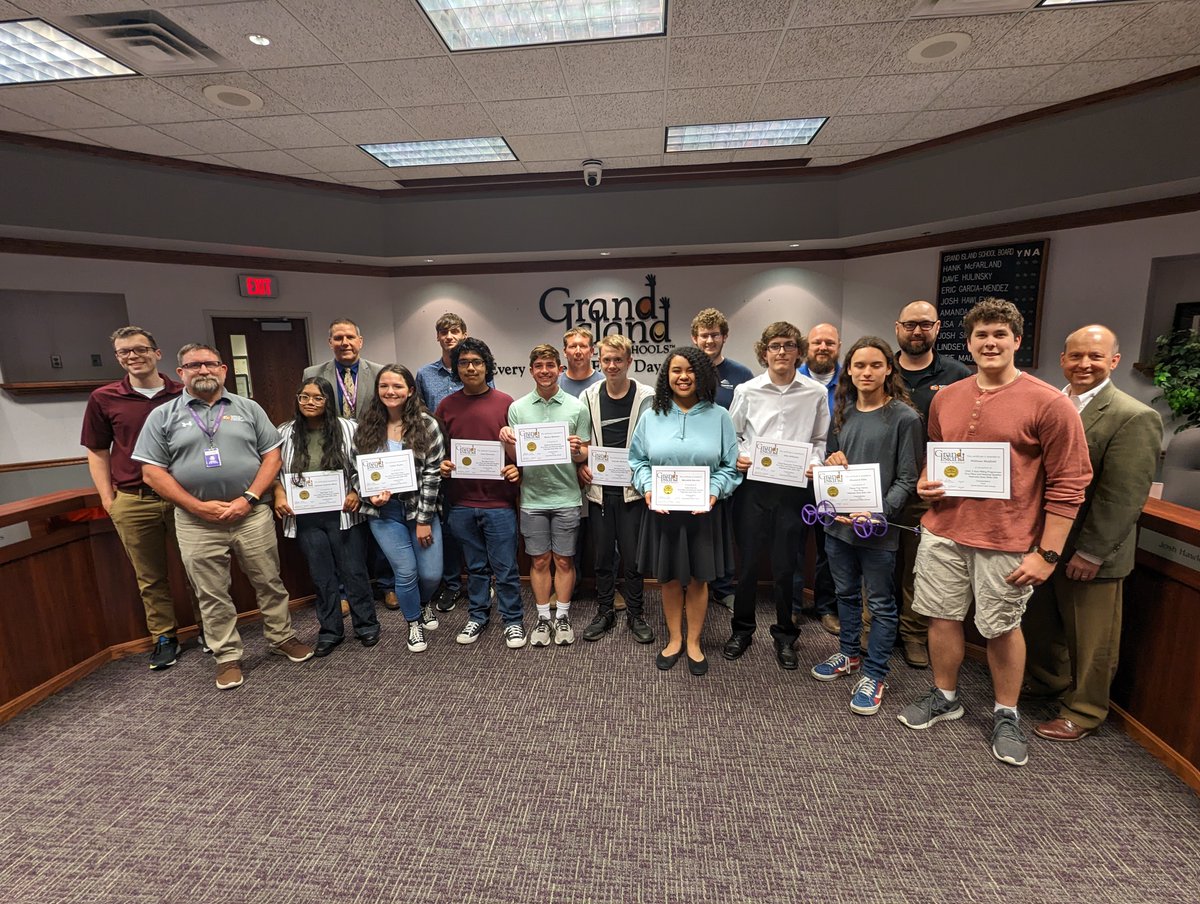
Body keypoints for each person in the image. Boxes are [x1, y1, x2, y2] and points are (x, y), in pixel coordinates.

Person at [896, 298, 1091, 767]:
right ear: (968, 342)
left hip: (1006, 538)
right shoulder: (947, 396)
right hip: (944, 530)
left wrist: (1048, 553)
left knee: (1002, 627)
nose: (990, 342)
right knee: (941, 617)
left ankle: (1007, 713)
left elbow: (1071, 482)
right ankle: (945, 696)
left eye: (1000, 334)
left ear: (1017, 341)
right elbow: (939, 459)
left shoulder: (1050, 402)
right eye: (981, 335)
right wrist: (926, 481)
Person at [133, 343, 314, 690]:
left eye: (210, 364)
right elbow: (152, 473)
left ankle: (281, 638)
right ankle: (227, 656)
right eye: (193, 365)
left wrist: (248, 498)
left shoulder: (248, 409)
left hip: (251, 513)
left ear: (223, 369)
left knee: (269, 581)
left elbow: (272, 457)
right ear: (181, 372)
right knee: (211, 592)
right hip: (195, 519)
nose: (203, 370)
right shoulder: (163, 416)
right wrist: (196, 506)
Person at [1023, 325, 1162, 742]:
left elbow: (1123, 495)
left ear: (1114, 361)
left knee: (1092, 638)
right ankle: (1047, 683)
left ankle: (1084, 710)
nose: (1084, 364)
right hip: (1045, 542)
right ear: (1063, 358)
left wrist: (1092, 552)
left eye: (1096, 357)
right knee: (1043, 623)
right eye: (1076, 356)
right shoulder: (1050, 403)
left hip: (1090, 549)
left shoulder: (1133, 416)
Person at [808, 338, 921, 716]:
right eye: (859, 366)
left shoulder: (904, 417)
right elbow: (830, 463)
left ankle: (875, 673)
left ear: (889, 368)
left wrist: (880, 513)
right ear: (849, 371)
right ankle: (848, 655)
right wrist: (831, 460)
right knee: (845, 596)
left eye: (875, 365)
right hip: (838, 527)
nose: (866, 373)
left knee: (882, 603)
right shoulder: (842, 412)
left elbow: (907, 479)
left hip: (878, 531)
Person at [81, 326, 205, 670]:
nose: (133, 357)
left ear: (157, 353)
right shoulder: (104, 398)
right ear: (118, 358)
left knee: (199, 567)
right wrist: (108, 499)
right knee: (150, 576)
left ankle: (210, 629)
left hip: (184, 497)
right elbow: (96, 450)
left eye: (140, 349)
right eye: (124, 352)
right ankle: (164, 637)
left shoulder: (183, 393)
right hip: (134, 499)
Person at [628, 346, 742, 676]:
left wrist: (713, 492)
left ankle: (694, 642)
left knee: (698, 579)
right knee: (668, 578)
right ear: (667, 376)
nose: (683, 376)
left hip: (704, 511)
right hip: (662, 510)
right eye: (676, 370)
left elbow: (730, 466)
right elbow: (637, 460)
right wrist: (648, 488)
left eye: (690, 370)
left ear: (702, 375)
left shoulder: (719, 415)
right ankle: (674, 639)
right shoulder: (651, 415)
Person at [723, 322, 829, 670]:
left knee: (787, 567)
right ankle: (742, 631)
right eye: (774, 346)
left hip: (794, 489)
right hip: (753, 487)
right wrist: (739, 454)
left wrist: (815, 462)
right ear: (764, 351)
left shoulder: (814, 393)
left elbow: (820, 440)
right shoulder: (748, 390)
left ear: (799, 351)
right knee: (749, 565)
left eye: (788, 345)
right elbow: (733, 433)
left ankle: (785, 635)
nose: (781, 351)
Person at [893, 301, 973, 669]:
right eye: (910, 325)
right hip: (880, 484)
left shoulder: (957, 375)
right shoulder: (880, 368)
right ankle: (873, 627)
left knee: (917, 567)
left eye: (925, 324)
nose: (917, 331)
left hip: (929, 490)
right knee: (876, 561)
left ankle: (912, 634)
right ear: (897, 328)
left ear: (938, 328)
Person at [273, 377, 379, 656]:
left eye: (318, 398)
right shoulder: (283, 432)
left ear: (329, 401)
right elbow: (271, 469)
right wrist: (279, 493)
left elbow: (365, 463)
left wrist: (357, 490)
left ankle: (366, 624)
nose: (310, 403)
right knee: (322, 576)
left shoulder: (349, 428)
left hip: (344, 513)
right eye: (304, 396)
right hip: (306, 517)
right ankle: (330, 630)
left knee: (354, 571)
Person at [435, 338, 526, 648]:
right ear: (456, 368)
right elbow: (439, 452)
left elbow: (521, 451)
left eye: (476, 362)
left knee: (505, 567)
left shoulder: (506, 403)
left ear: (487, 366)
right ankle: (477, 616)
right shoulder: (446, 406)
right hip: (460, 502)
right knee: (474, 568)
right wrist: (443, 465)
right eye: (463, 362)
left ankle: (513, 621)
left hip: (499, 502)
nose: (470, 367)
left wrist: (518, 470)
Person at [503, 344, 590, 646]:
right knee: (539, 561)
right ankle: (543, 617)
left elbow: (583, 457)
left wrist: (579, 450)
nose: (544, 371)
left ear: (560, 369)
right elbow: (516, 457)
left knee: (564, 561)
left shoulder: (577, 407)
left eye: (550, 365)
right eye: (538, 365)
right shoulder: (518, 408)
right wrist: (506, 439)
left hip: (566, 496)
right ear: (531, 370)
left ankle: (562, 616)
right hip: (532, 499)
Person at [356, 365, 445, 654]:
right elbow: (356, 473)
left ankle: (423, 602)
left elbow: (433, 474)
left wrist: (424, 519)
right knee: (405, 572)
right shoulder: (367, 425)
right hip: (384, 515)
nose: (390, 392)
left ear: (410, 390)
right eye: (384, 386)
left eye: (397, 386)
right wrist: (370, 497)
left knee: (431, 574)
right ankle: (413, 622)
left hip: (420, 510)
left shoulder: (426, 424)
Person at [302, 318, 391, 609]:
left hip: (372, 454)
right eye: (338, 338)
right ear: (330, 342)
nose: (345, 343)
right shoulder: (313, 373)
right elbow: (310, 410)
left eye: (350, 337)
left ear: (360, 340)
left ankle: (387, 584)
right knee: (341, 524)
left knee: (379, 520)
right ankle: (342, 591)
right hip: (333, 457)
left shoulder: (379, 372)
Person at [578, 335, 656, 644]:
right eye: (606, 360)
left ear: (629, 362)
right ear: (600, 362)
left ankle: (636, 614)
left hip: (632, 491)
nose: (612, 366)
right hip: (599, 491)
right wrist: (579, 463)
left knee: (634, 558)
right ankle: (606, 610)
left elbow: (653, 442)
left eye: (618, 360)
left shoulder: (646, 396)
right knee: (602, 558)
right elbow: (583, 442)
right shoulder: (589, 395)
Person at [415, 312, 491, 615]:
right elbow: (418, 419)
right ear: (438, 337)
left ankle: (482, 581)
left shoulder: (477, 367)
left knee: (478, 526)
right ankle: (452, 585)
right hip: (440, 463)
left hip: (477, 464)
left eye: (455, 331)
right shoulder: (425, 374)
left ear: (464, 334)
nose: (449, 336)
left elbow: (486, 406)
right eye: (444, 332)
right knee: (448, 528)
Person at [691, 307, 752, 610]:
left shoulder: (741, 375)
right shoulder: (686, 369)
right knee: (694, 528)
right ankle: (694, 584)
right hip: (691, 467)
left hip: (727, 467)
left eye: (715, 334)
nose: (709, 340)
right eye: (704, 335)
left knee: (724, 529)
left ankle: (723, 586)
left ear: (724, 337)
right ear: (695, 338)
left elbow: (750, 423)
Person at [797, 323, 842, 635]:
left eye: (829, 342)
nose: (823, 347)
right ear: (806, 347)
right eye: (817, 342)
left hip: (835, 478)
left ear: (838, 346)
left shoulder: (850, 382)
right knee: (794, 543)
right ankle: (794, 605)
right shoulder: (792, 380)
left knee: (830, 546)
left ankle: (826, 606)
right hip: (795, 476)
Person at [558, 326, 603, 397]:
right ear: (565, 352)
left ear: (592, 351)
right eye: (573, 346)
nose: (578, 352)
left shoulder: (604, 383)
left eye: (583, 346)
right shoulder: (556, 386)